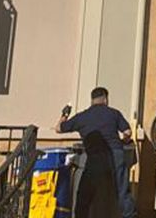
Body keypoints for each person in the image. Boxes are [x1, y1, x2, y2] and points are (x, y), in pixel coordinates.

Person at [57, 87, 137, 218]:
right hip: (116, 153)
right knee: (122, 191)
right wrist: (123, 141)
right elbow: (127, 132)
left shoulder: (82, 116)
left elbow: (59, 129)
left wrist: (65, 114)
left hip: (94, 157)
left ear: (92, 100)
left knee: (84, 193)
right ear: (105, 99)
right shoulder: (114, 113)